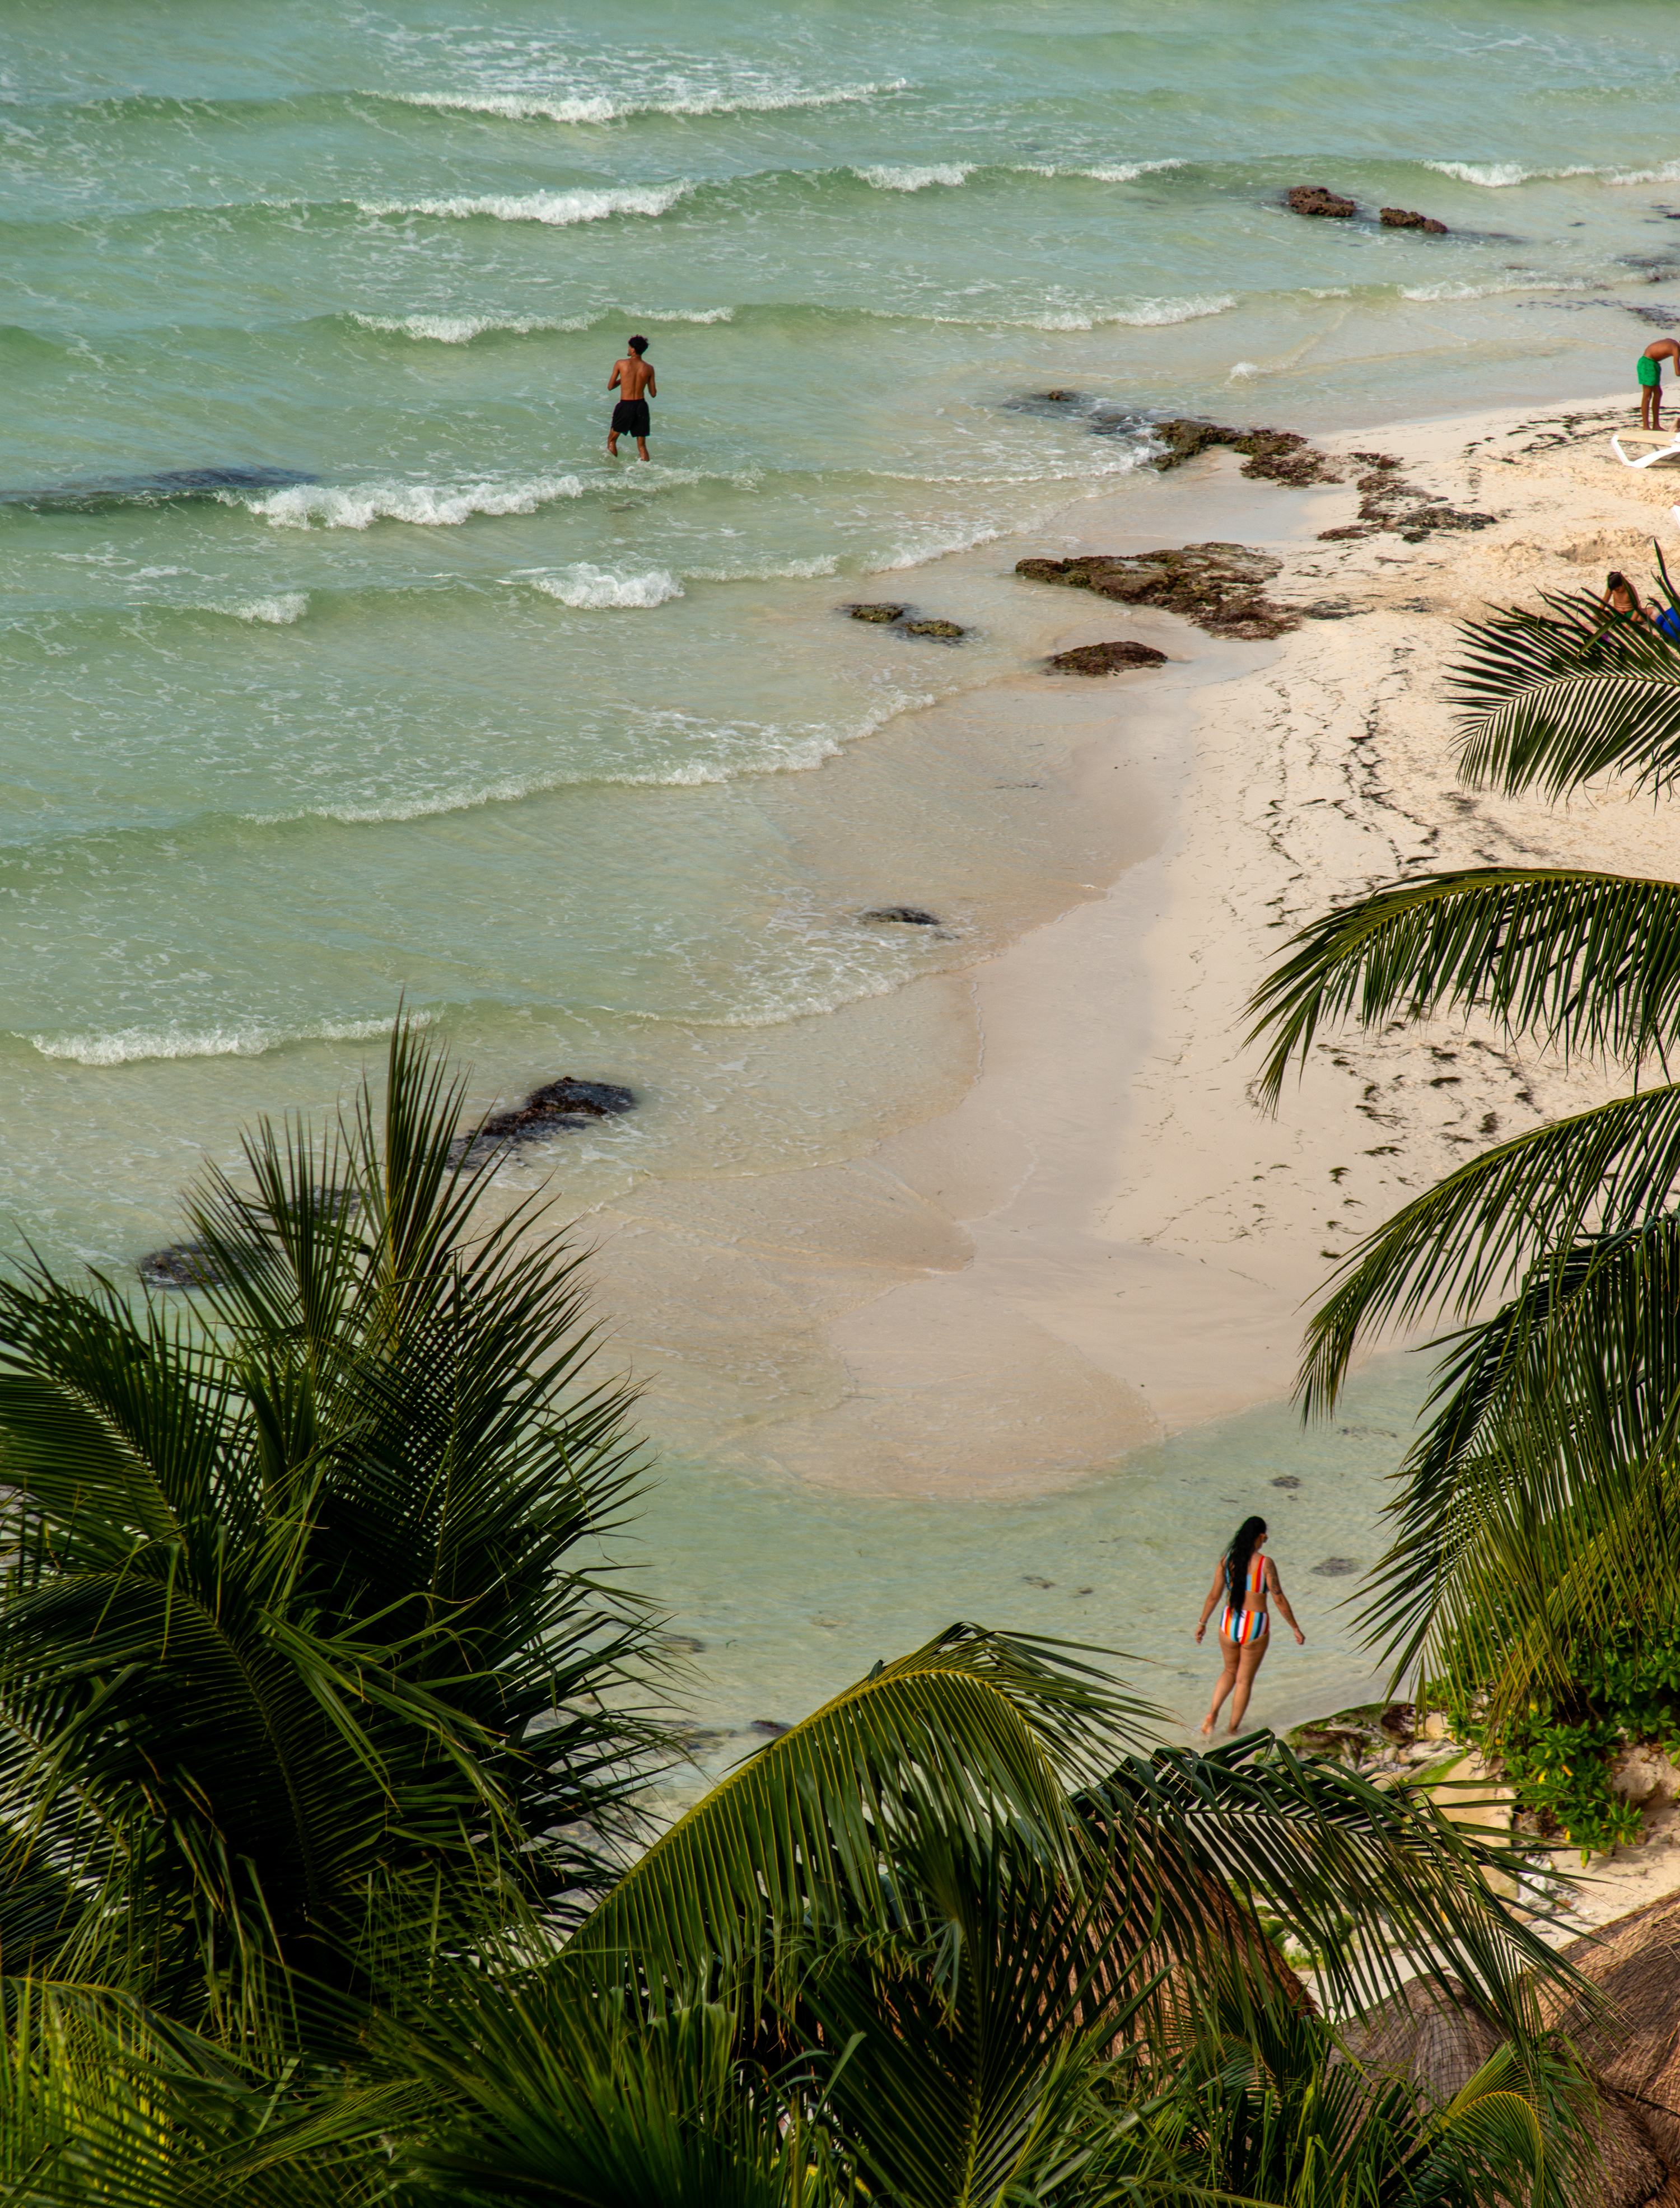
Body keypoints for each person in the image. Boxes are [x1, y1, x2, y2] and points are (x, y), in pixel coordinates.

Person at [1194, 1515, 1304, 1738]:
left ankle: (1212, 1715)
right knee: (1244, 1680)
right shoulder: (1265, 1563)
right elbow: (1278, 1598)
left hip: (1229, 1621)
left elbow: (1214, 1595)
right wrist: (1294, 1627)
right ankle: (1232, 1730)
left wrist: (1202, 1623)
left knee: (1229, 1671)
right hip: (1254, 1624)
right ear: (1261, 1537)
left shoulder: (1227, 1561)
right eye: (1266, 1538)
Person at [608, 334, 656, 460]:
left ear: (633, 350)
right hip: (641, 406)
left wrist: (623, 380)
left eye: (629, 347)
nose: (628, 349)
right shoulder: (649, 368)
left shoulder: (621, 364)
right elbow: (653, 393)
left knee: (612, 441)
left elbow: (610, 386)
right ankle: (646, 471)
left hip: (626, 405)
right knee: (642, 446)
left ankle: (612, 470)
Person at [1637, 338, 1680, 431]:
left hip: (1654, 364)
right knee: (1647, 395)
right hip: (1647, 363)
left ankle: (1656, 425)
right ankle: (1646, 427)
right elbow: (1678, 372)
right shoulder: (1676, 349)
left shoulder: (1674, 343)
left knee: (1658, 394)